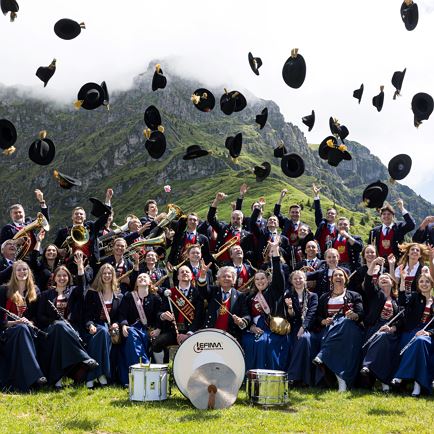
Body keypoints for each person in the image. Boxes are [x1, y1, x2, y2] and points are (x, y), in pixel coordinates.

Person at [36, 252, 98, 389]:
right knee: (59, 326)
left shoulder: (74, 291)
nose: (62, 278)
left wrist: (81, 268)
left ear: (69, 278)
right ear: (54, 278)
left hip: (70, 330)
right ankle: (84, 358)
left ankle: (57, 380)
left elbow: (83, 287)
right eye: (59, 276)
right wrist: (55, 321)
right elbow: (40, 316)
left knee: (61, 334)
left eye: (65, 276)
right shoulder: (46, 295)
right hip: (50, 330)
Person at [313, 268, 364, 392]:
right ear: (332, 280)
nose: (338, 277)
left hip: (351, 329)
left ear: (346, 279)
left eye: (341, 275)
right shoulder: (325, 297)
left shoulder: (354, 295)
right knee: (338, 341)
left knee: (345, 321)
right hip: (330, 328)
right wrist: (323, 321)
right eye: (336, 275)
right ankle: (342, 380)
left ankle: (322, 355)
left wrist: (355, 315)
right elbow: (318, 316)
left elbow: (360, 313)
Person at [242, 240, 289, 371]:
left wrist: (275, 253)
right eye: (257, 279)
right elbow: (246, 314)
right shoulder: (250, 297)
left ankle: (267, 375)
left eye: (262, 278)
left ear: (268, 280)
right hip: (254, 329)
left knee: (263, 342)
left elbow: (279, 275)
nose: (260, 281)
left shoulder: (274, 291)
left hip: (271, 329)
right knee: (248, 341)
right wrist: (251, 326)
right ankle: (250, 377)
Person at [0, 261, 46, 392]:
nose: (22, 272)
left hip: (29, 331)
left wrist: (30, 323)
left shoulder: (35, 291)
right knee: (21, 328)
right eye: (18, 270)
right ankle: (36, 375)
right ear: (14, 273)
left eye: (25, 269)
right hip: (7, 333)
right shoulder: (4, 290)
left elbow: (38, 317)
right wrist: (15, 323)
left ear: (29, 272)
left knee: (24, 329)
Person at [360, 258, 402, 392]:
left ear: (392, 282)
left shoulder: (397, 300)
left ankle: (370, 368)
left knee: (385, 338)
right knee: (380, 337)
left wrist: (392, 328)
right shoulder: (375, 295)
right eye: (381, 278)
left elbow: (401, 319)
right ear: (377, 282)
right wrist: (373, 264)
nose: (383, 279)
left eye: (387, 278)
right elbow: (367, 281)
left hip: (391, 331)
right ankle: (382, 379)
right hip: (374, 328)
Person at [392, 273, 434, 396]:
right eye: (421, 281)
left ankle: (400, 375)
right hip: (414, 331)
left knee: (420, 340)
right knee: (418, 342)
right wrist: (403, 282)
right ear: (418, 285)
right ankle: (417, 385)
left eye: (427, 281)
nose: (424, 284)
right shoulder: (415, 297)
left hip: (429, 335)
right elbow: (402, 302)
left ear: (432, 285)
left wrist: (428, 332)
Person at [117, 272, 162, 386]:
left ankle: (136, 375)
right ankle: (144, 370)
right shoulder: (128, 296)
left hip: (148, 332)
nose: (142, 278)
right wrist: (123, 325)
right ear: (136, 282)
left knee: (131, 339)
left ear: (149, 282)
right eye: (139, 277)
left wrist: (158, 329)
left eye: (144, 277)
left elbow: (159, 315)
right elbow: (121, 315)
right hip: (131, 329)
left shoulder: (155, 298)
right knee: (131, 335)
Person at [83, 263, 123, 388]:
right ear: (100, 275)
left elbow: (120, 316)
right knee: (102, 333)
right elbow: (86, 315)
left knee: (103, 334)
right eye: (104, 273)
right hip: (96, 325)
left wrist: (116, 323)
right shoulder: (92, 293)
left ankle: (92, 375)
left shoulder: (118, 295)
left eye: (109, 273)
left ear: (113, 276)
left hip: (111, 326)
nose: (106, 275)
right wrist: (90, 325)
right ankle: (101, 375)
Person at [154, 265, 205, 362]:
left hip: (191, 332)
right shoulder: (170, 293)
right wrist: (163, 315)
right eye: (182, 272)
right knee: (156, 343)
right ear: (177, 277)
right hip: (173, 331)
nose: (184, 273)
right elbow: (160, 312)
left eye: (187, 272)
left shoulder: (197, 293)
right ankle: (161, 368)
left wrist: (189, 334)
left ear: (191, 276)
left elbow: (199, 316)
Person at [198, 264, 250, 341]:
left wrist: (241, 321)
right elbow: (203, 291)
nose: (226, 278)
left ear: (234, 280)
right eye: (223, 276)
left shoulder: (240, 296)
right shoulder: (213, 291)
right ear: (218, 279)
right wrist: (202, 276)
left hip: (231, 337)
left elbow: (246, 315)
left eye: (229, 276)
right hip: (211, 334)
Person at [286, 270, 318, 386]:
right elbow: (289, 317)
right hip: (292, 327)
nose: (298, 281)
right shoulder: (288, 295)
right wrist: (289, 308)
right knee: (297, 340)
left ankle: (293, 376)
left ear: (305, 280)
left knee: (305, 339)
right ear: (291, 281)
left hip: (308, 327)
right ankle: (299, 378)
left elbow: (311, 314)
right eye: (295, 279)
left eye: (300, 278)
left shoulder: (313, 296)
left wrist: (303, 327)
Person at [54, 205, 111, 271]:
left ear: (85, 217)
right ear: (72, 217)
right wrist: (59, 250)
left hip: (90, 264)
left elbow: (103, 219)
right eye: (76, 214)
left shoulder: (91, 227)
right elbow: (55, 246)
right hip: (70, 265)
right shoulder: (63, 231)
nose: (78, 215)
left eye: (81, 214)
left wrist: (108, 200)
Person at [207, 192, 253, 264]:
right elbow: (211, 219)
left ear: (242, 220)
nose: (235, 220)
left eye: (238, 218)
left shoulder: (247, 235)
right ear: (230, 219)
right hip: (222, 264)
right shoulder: (223, 229)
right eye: (233, 218)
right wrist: (216, 201)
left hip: (239, 265)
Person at [312, 184, 337, 257]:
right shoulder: (322, 224)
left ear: (336, 216)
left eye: (332, 213)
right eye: (328, 213)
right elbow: (318, 212)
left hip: (335, 257)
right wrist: (316, 196)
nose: (330, 215)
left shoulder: (338, 228)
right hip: (321, 255)